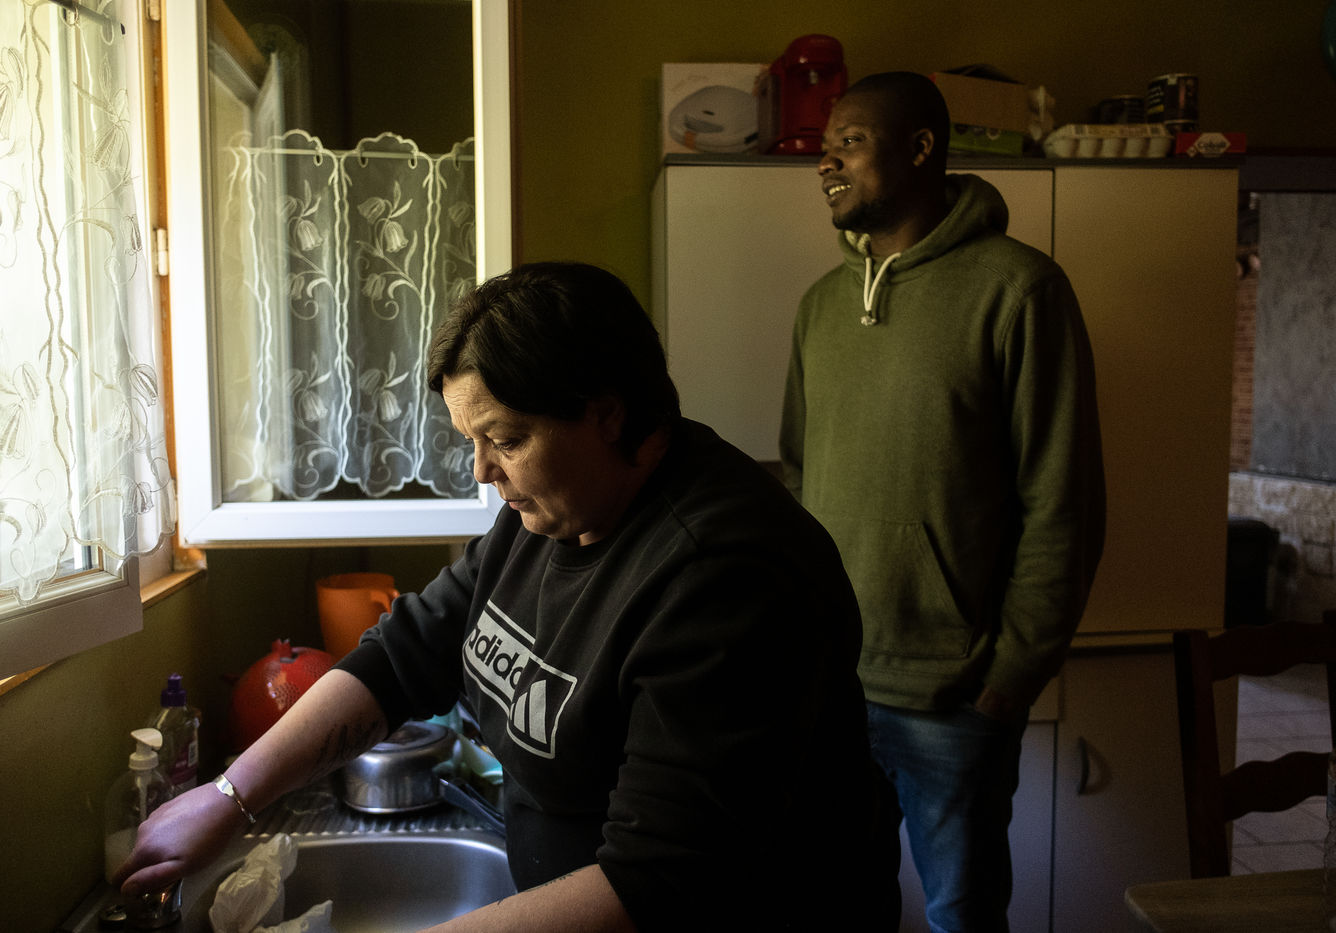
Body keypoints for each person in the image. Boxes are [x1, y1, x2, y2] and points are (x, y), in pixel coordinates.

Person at [114, 261, 899, 931]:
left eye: (507, 439)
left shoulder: (728, 577)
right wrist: (228, 796)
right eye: (472, 441)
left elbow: (658, 883)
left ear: (607, 413)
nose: (483, 471)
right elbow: (404, 654)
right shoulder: (556, 510)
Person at [780, 72, 1106, 932]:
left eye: (850, 142)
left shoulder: (1020, 290)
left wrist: (1009, 677)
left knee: (961, 917)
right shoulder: (819, 307)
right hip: (835, 686)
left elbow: (1062, 498)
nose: (825, 163)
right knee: (838, 906)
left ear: (921, 147)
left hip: (955, 698)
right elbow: (798, 478)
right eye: (824, 148)